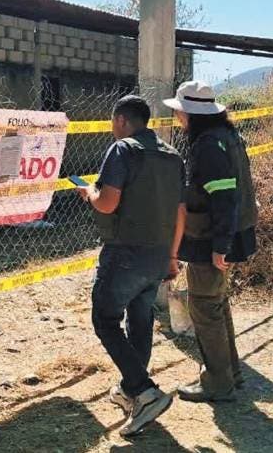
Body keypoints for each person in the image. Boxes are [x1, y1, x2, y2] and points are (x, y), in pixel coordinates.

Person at [76, 95, 186, 436]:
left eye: (113, 123)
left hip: (125, 254)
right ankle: (131, 389)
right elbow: (180, 212)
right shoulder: (172, 156)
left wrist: (89, 193)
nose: (112, 129)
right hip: (158, 255)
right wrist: (172, 256)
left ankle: (144, 392)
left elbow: (107, 204)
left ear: (121, 120)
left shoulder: (122, 150)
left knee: (105, 319)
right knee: (140, 318)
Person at [163, 80, 258, 403]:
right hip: (226, 234)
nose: (177, 117)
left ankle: (218, 382)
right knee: (216, 303)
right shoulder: (226, 136)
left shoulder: (207, 145)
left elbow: (224, 196)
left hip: (212, 238)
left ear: (191, 114)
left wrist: (220, 246)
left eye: (180, 112)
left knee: (204, 306)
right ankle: (230, 372)